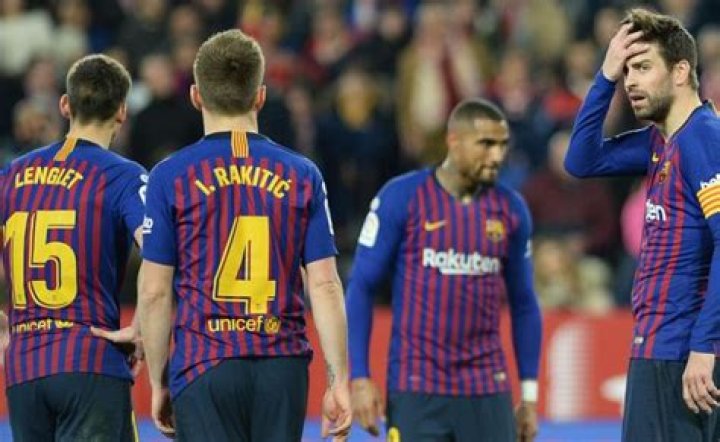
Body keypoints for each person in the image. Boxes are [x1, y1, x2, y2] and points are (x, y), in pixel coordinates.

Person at [138, 29, 352, 441]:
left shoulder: (169, 175)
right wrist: (338, 379)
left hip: (203, 364)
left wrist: (159, 381)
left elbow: (153, 292)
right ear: (260, 97)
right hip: (281, 366)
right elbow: (325, 284)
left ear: (196, 96)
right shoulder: (303, 174)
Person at [347, 98, 542, 442]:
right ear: (454, 141)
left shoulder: (511, 210)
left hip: (487, 387)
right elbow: (361, 286)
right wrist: (359, 377)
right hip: (416, 387)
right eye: (486, 144)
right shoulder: (402, 197)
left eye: (502, 145)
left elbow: (524, 302)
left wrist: (528, 396)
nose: (497, 156)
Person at [565, 8, 720, 441]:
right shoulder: (660, 143)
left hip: (686, 355)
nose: (631, 81)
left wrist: (704, 347)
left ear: (680, 71)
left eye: (644, 67)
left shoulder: (704, 138)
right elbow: (581, 160)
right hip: (655, 348)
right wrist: (605, 76)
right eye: (627, 70)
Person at [0, 54, 146, 441]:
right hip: (90, 360)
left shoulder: (11, 174)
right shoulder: (123, 176)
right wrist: (142, 326)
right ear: (122, 111)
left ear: (65, 105)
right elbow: (160, 250)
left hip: (24, 371)